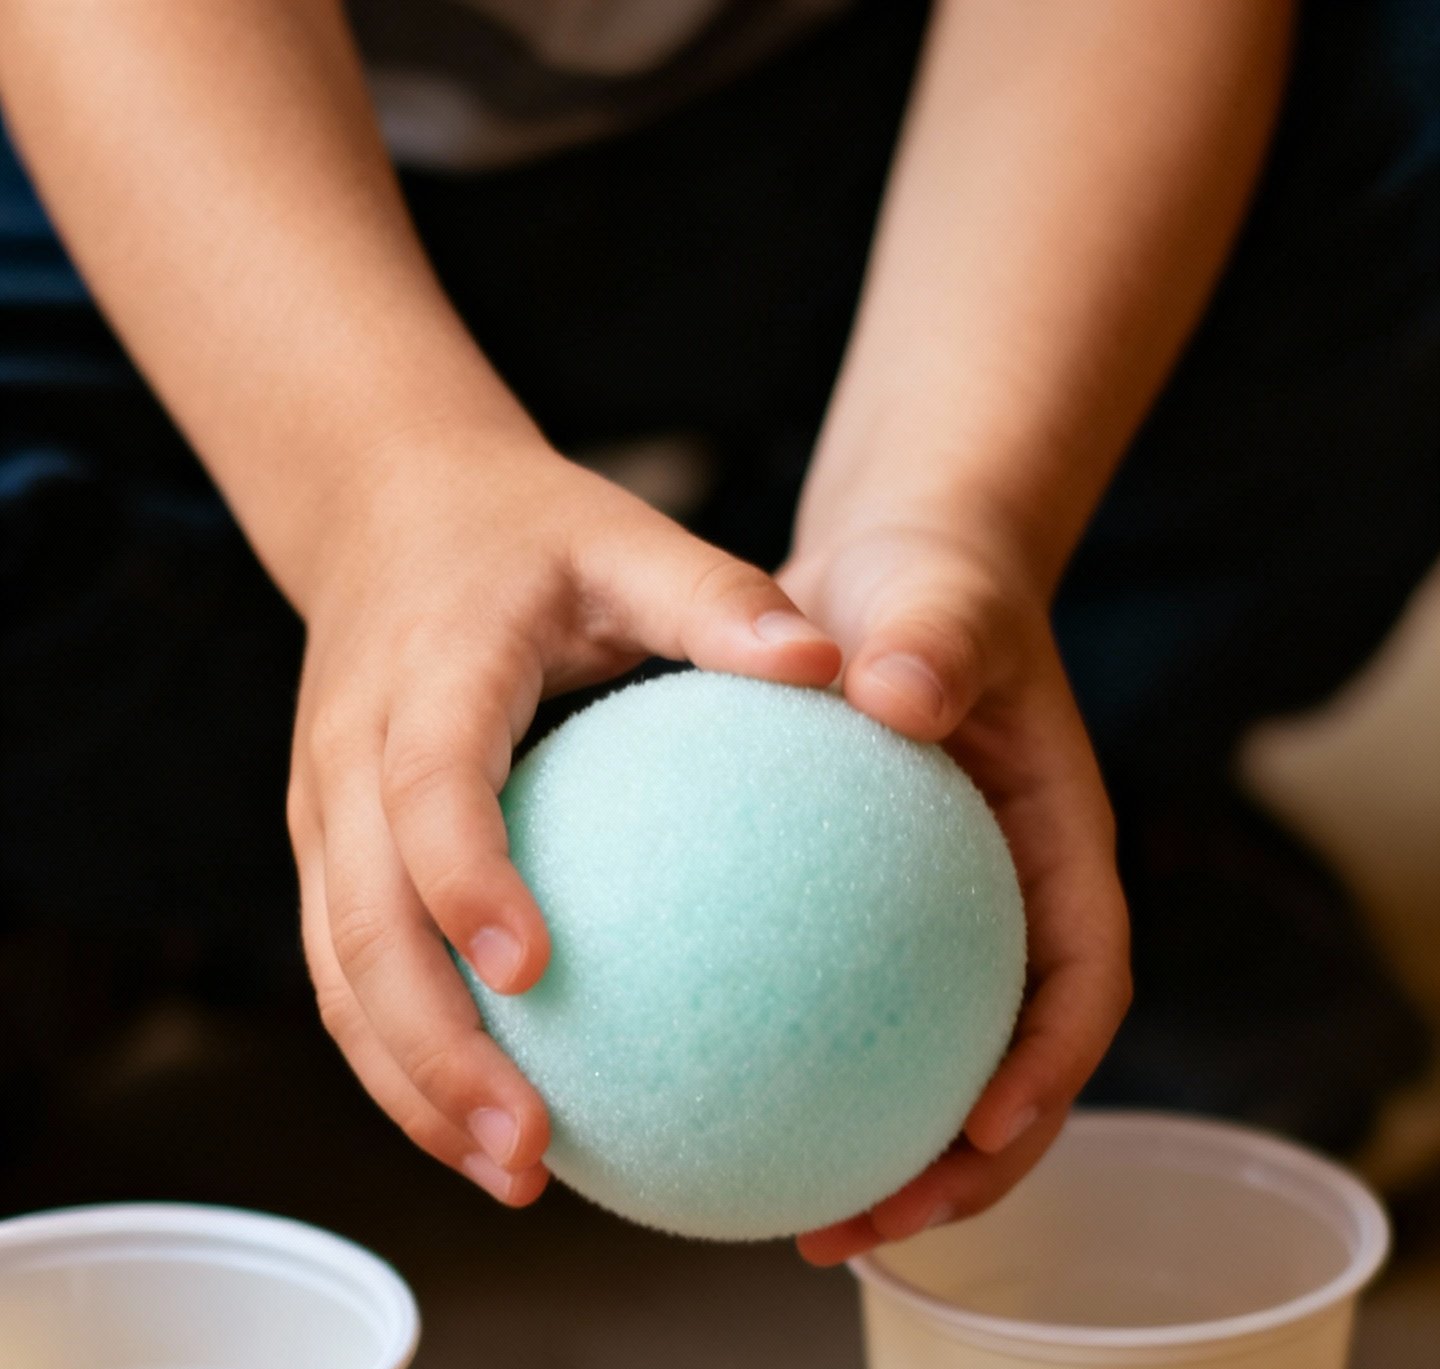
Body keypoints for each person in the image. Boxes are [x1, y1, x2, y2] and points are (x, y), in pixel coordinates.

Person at [1, 1, 1435, 1259]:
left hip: (895, 136)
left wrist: (954, 511)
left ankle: (1085, 797)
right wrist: (383, 479)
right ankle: (228, 843)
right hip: (202, 174)